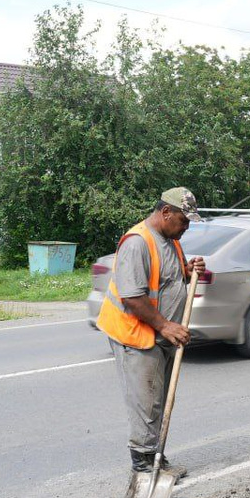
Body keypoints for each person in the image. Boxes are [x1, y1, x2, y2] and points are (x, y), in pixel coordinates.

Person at [97, 187, 207, 476]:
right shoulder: (137, 243)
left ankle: (156, 457)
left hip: (160, 336)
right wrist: (166, 325)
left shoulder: (169, 239)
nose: (187, 227)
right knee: (145, 402)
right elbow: (133, 298)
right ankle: (144, 468)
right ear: (166, 212)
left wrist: (188, 269)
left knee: (157, 398)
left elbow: (167, 276)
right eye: (184, 220)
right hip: (137, 336)